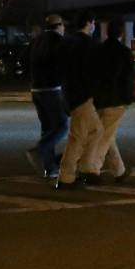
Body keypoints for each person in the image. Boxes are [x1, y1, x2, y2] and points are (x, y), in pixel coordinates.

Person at [81, 22, 135, 183]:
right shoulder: (124, 52)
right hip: (117, 99)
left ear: (106, 33)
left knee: (107, 135)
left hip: (98, 98)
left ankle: (119, 170)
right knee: (105, 136)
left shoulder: (97, 50)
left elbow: (90, 74)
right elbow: (127, 78)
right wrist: (127, 99)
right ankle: (92, 169)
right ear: (121, 34)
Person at [55, 13, 101, 189]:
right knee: (78, 136)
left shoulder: (67, 43)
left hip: (69, 93)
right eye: (94, 23)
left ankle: (87, 167)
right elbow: (92, 72)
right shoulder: (89, 45)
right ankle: (66, 176)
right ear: (89, 23)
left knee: (96, 130)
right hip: (83, 95)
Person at [24, 13, 68, 178]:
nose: (64, 29)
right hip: (52, 89)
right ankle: (39, 149)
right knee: (62, 126)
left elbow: (23, 59)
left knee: (47, 128)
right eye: (63, 26)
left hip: (36, 89)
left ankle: (50, 169)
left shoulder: (37, 40)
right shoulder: (58, 41)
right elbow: (65, 65)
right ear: (59, 26)